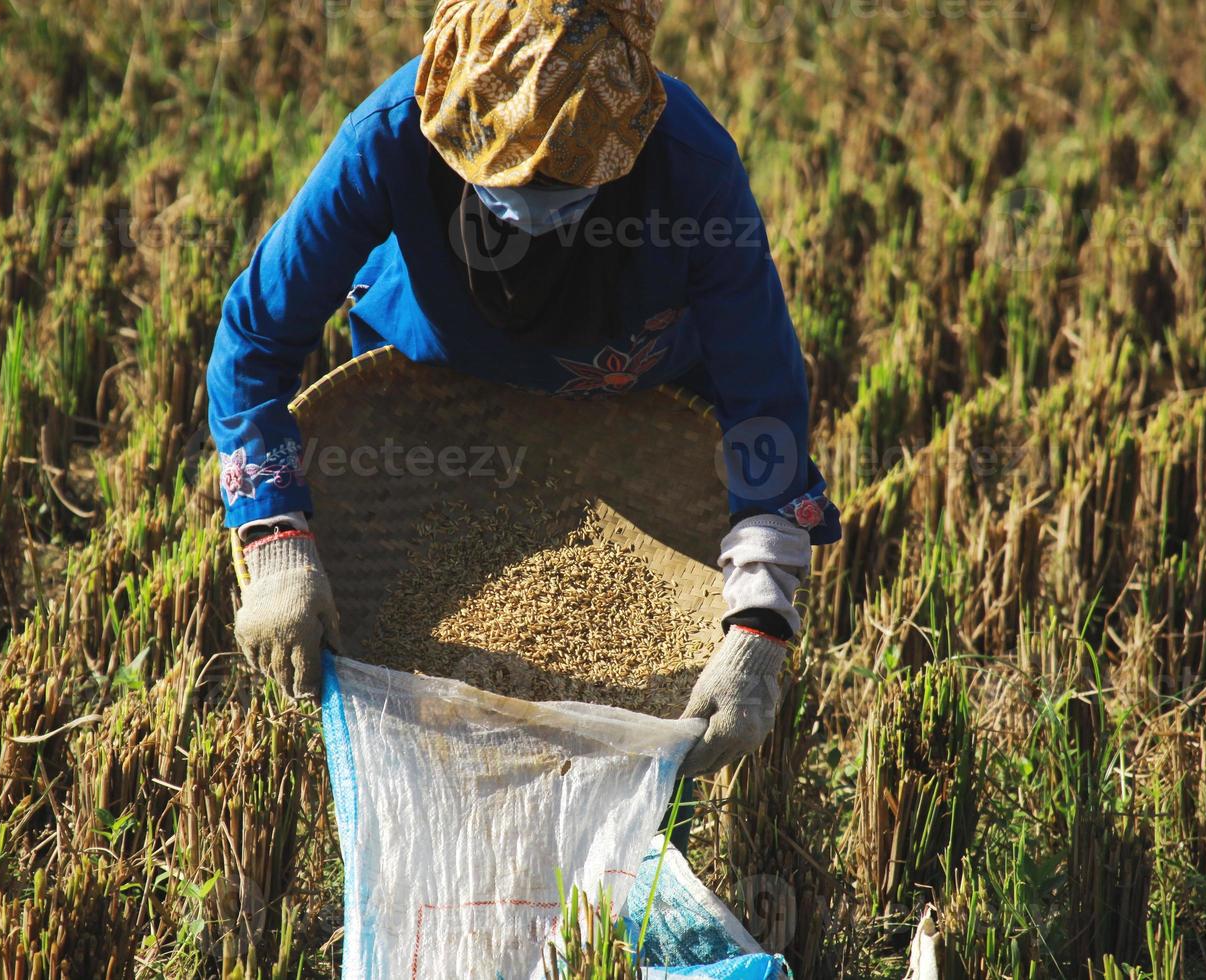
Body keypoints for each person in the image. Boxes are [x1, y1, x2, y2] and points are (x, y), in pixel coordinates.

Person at [206, 0, 840, 779]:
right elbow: (256, 336)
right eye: (510, 172)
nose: (534, 196)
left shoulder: (687, 167)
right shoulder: (393, 135)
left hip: (634, 404)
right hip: (438, 399)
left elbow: (761, 401)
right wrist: (276, 542)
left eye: (564, 177)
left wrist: (757, 625)